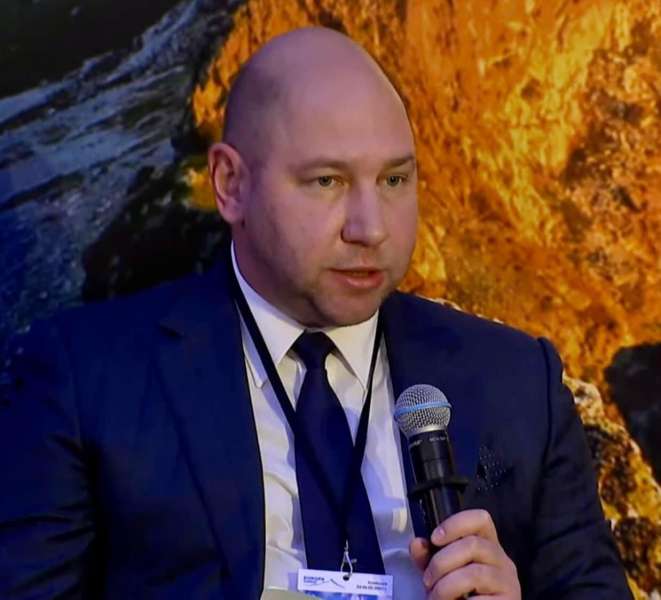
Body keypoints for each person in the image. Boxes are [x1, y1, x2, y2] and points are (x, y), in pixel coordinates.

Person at [0, 27, 631, 599]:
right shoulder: (88, 379)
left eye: (394, 180)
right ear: (230, 185)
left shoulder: (517, 381)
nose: (370, 228)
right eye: (327, 181)